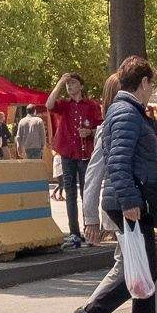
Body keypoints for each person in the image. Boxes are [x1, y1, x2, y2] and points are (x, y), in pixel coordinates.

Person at [73, 56, 157, 313]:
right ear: (143, 82)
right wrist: (131, 201)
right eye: (151, 84)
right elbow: (117, 163)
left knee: (144, 266)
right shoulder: (126, 113)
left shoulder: (126, 112)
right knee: (140, 268)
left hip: (132, 198)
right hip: (130, 201)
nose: (151, 90)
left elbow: (130, 158)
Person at [47, 73, 102, 249]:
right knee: (69, 193)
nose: (70, 87)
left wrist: (91, 133)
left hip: (85, 154)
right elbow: (49, 104)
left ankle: (90, 232)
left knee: (87, 193)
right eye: (68, 84)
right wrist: (60, 83)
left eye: (73, 83)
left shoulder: (91, 105)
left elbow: (101, 128)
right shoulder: (64, 105)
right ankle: (74, 233)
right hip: (68, 154)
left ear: (81, 86)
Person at [14, 104, 48, 176]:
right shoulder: (39, 120)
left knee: (27, 167)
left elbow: (18, 136)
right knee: (36, 167)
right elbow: (42, 135)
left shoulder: (22, 121)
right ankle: (36, 182)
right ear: (34, 111)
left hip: (25, 147)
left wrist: (18, 148)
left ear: (27, 111)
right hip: (37, 147)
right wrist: (43, 146)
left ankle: (29, 183)